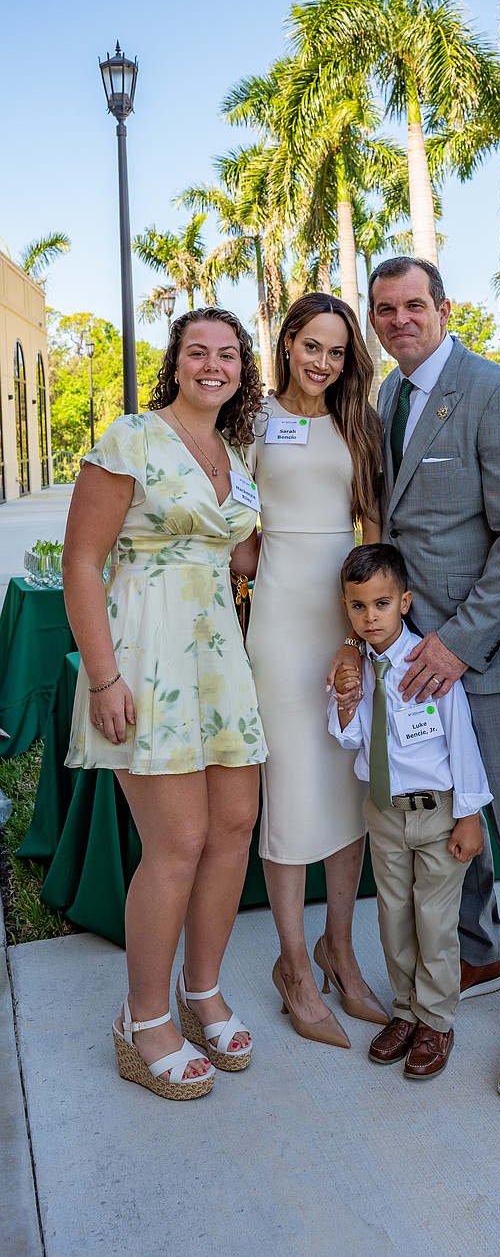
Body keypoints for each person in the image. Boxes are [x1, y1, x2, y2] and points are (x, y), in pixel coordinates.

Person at [345, 255, 500, 1100]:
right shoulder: (388, 399)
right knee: (449, 824)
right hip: (410, 664)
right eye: (385, 308)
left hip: (480, 661)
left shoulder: (496, 392)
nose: (399, 318)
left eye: (414, 305)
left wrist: (457, 642)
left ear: (445, 308)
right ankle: (473, 952)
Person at [63, 307, 268, 1100]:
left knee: (234, 828)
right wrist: (105, 678)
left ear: (242, 369)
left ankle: (203, 988)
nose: (212, 365)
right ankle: (143, 1018)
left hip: (221, 656)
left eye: (226, 354)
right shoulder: (132, 439)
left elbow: (239, 549)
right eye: (197, 352)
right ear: (175, 363)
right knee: (177, 841)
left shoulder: (236, 451)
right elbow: (83, 562)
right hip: (147, 655)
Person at [233, 293, 387, 1050]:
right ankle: (292, 965)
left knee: (345, 784)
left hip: (345, 615)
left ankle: (340, 949)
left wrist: (363, 630)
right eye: (311, 346)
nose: (323, 362)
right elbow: (232, 521)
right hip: (281, 621)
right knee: (291, 789)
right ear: (287, 341)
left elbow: (372, 525)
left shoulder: (355, 420)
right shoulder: (254, 419)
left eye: (336, 350)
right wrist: (259, 561)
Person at [329, 544, 491, 1079]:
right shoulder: (359, 668)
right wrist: (346, 704)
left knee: (435, 922)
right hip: (385, 813)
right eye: (358, 607)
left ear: (405, 601)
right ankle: (405, 1011)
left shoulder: (428, 664)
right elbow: (351, 738)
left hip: (439, 812)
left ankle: (437, 1021)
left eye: (380, 603)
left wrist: (470, 815)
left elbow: (462, 740)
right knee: (394, 918)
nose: (370, 617)